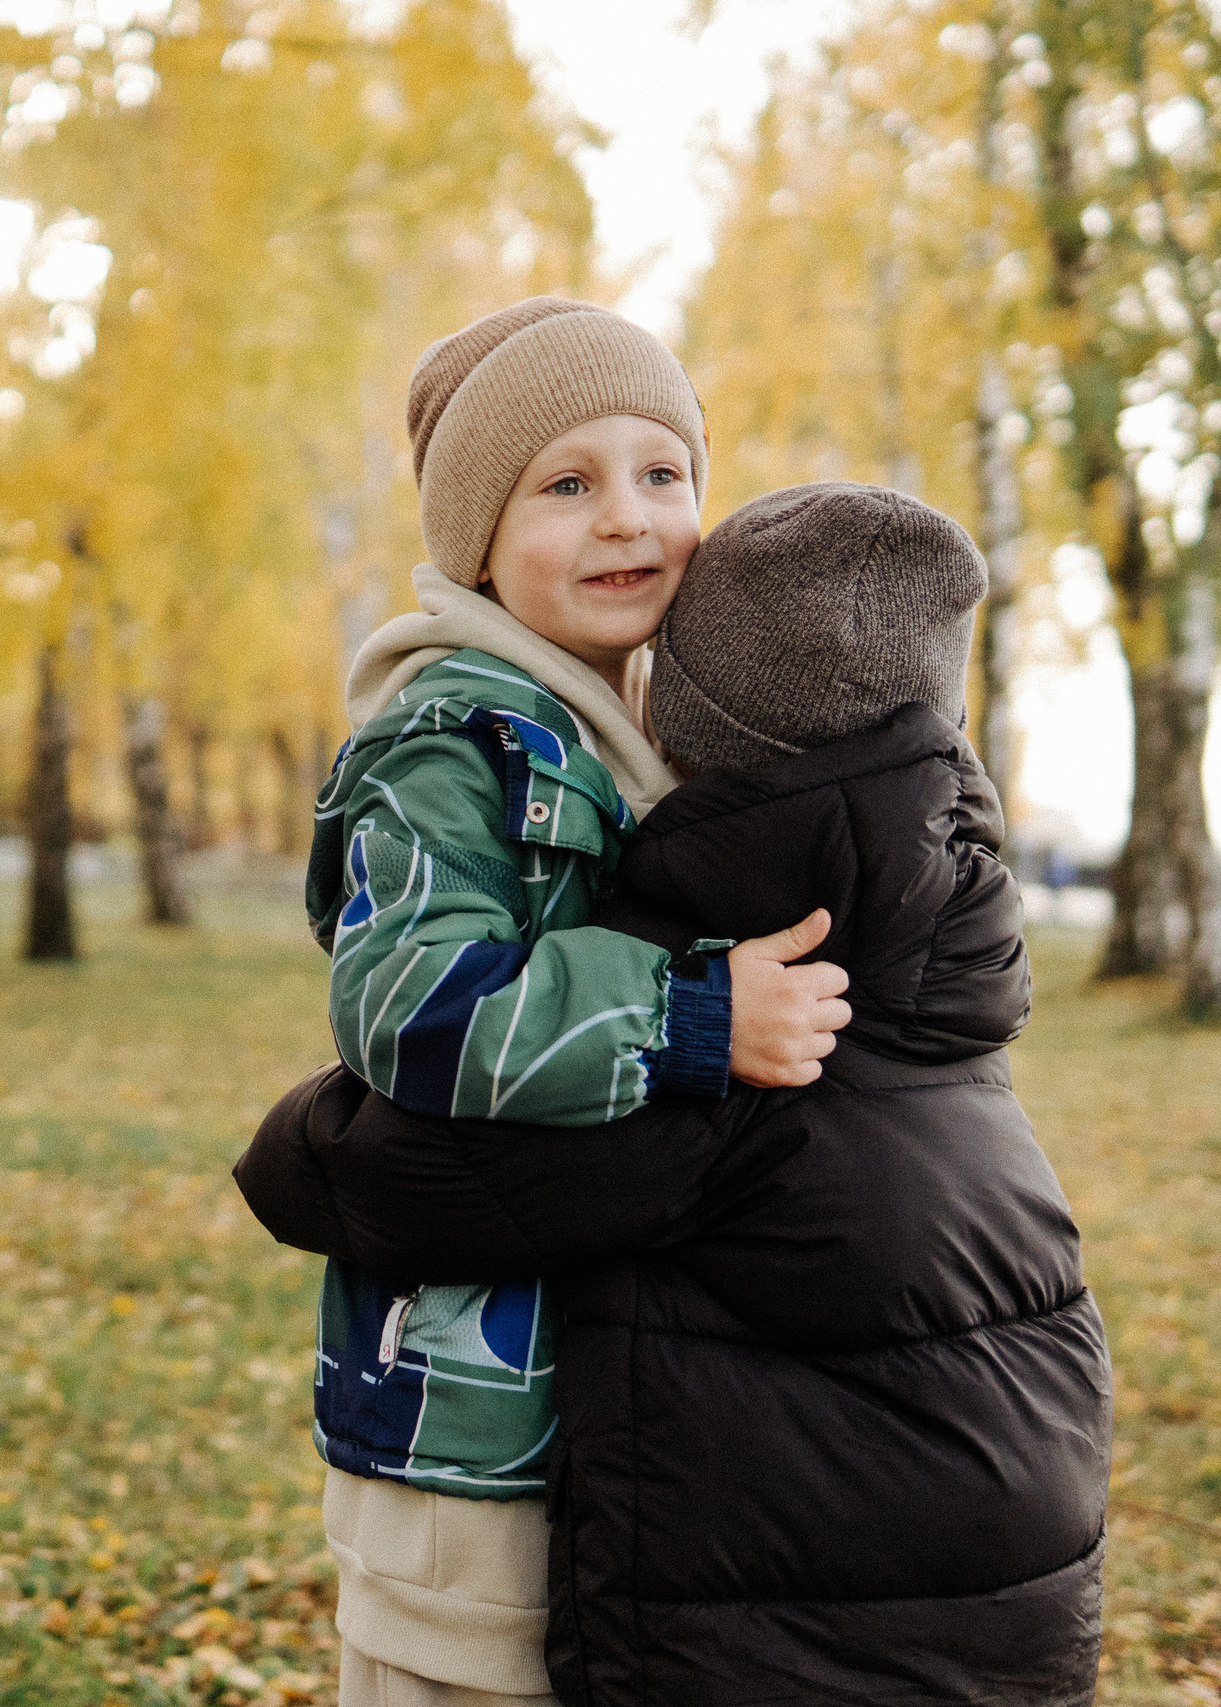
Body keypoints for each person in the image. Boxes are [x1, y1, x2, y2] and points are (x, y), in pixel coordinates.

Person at [241, 482, 1112, 1706]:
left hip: (813, 1632)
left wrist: (298, 1130)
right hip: (999, 1582)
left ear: (693, 715)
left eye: (659, 475)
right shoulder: (932, 923)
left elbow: (384, 1174)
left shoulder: (760, 984)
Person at [298, 298, 849, 1706]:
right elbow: (419, 1002)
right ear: (474, 537)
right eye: (567, 483)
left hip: (604, 1398)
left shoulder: (645, 730)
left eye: (663, 474)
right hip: (465, 1424)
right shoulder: (447, 734)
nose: (628, 518)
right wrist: (693, 1015)